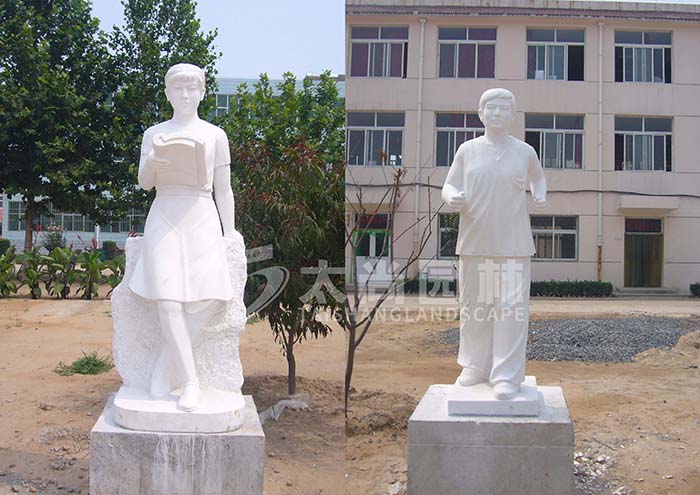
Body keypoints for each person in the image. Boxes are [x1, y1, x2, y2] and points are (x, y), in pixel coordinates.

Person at [128, 63, 236, 411]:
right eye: (178, 88)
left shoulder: (215, 135)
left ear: (203, 93)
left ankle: (164, 367)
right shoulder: (154, 133)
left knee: (211, 297)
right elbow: (144, 183)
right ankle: (190, 381)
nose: (186, 95)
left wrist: (230, 232)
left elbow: (224, 190)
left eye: (192, 89)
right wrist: (154, 161)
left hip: (202, 214)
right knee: (168, 300)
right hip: (165, 214)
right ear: (167, 93)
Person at [441, 88, 547, 400]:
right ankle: (474, 365)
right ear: (481, 113)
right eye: (492, 108)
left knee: (510, 311)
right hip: (475, 242)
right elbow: (450, 183)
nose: (497, 113)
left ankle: (506, 375)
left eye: (503, 108)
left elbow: (538, 177)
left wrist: (539, 193)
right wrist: (452, 196)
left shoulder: (525, 152)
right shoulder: (468, 150)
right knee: (476, 308)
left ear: (513, 115)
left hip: (513, 245)